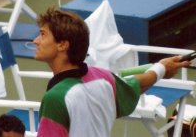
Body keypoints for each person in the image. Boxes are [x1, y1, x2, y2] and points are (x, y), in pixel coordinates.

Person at [33, 7, 191, 137]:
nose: (36, 41)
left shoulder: (55, 99)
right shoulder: (103, 77)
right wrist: (162, 68)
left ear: (62, 45)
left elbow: (137, 83)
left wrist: (162, 68)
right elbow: (137, 84)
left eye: (43, 34)